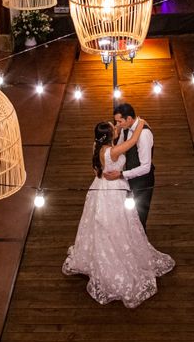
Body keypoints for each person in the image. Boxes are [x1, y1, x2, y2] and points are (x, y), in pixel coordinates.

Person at [62, 120, 174, 308]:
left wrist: (119, 128)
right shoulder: (112, 152)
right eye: (113, 128)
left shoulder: (97, 147)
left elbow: (97, 168)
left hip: (99, 187)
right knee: (117, 223)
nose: (116, 127)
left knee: (102, 225)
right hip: (114, 189)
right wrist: (141, 124)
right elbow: (132, 142)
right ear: (108, 136)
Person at [104, 103, 155, 230]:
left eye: (119, 121)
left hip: (142, 182)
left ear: (129, 119)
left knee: (139, 219)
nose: (117, 125)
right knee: (128, 218)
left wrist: (121, 174)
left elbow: (145, 167)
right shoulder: (126, 127)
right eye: (116, 122)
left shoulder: (143, 135)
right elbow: (121, 146)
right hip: (128, 179)